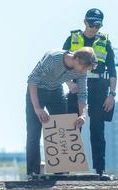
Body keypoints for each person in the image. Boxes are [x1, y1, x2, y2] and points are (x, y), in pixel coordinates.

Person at [26, 48, 95, 178]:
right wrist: (37, 108)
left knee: (63, 128)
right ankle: (32, 172)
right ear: (77, 59)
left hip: (56, 91)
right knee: (33, 132)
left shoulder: (81, 71)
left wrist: (83, 114)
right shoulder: (53, 59)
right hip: (37, 90)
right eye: (84, 68)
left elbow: (82, 94)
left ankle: (61, 172)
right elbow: (32, 80)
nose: (84, 72)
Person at [63, 8, 117, 178]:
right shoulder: (73, 39)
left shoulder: (105, 42)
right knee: (73, 125)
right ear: (85, 22)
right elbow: (62, 63)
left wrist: (112, 94)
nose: (95, 28)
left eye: (98, 25)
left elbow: (113, 70)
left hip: (99, 87)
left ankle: (100, 170)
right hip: (77, 85)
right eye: (92, 24)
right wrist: (69, 84)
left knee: (97, 129)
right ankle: (65, 168)